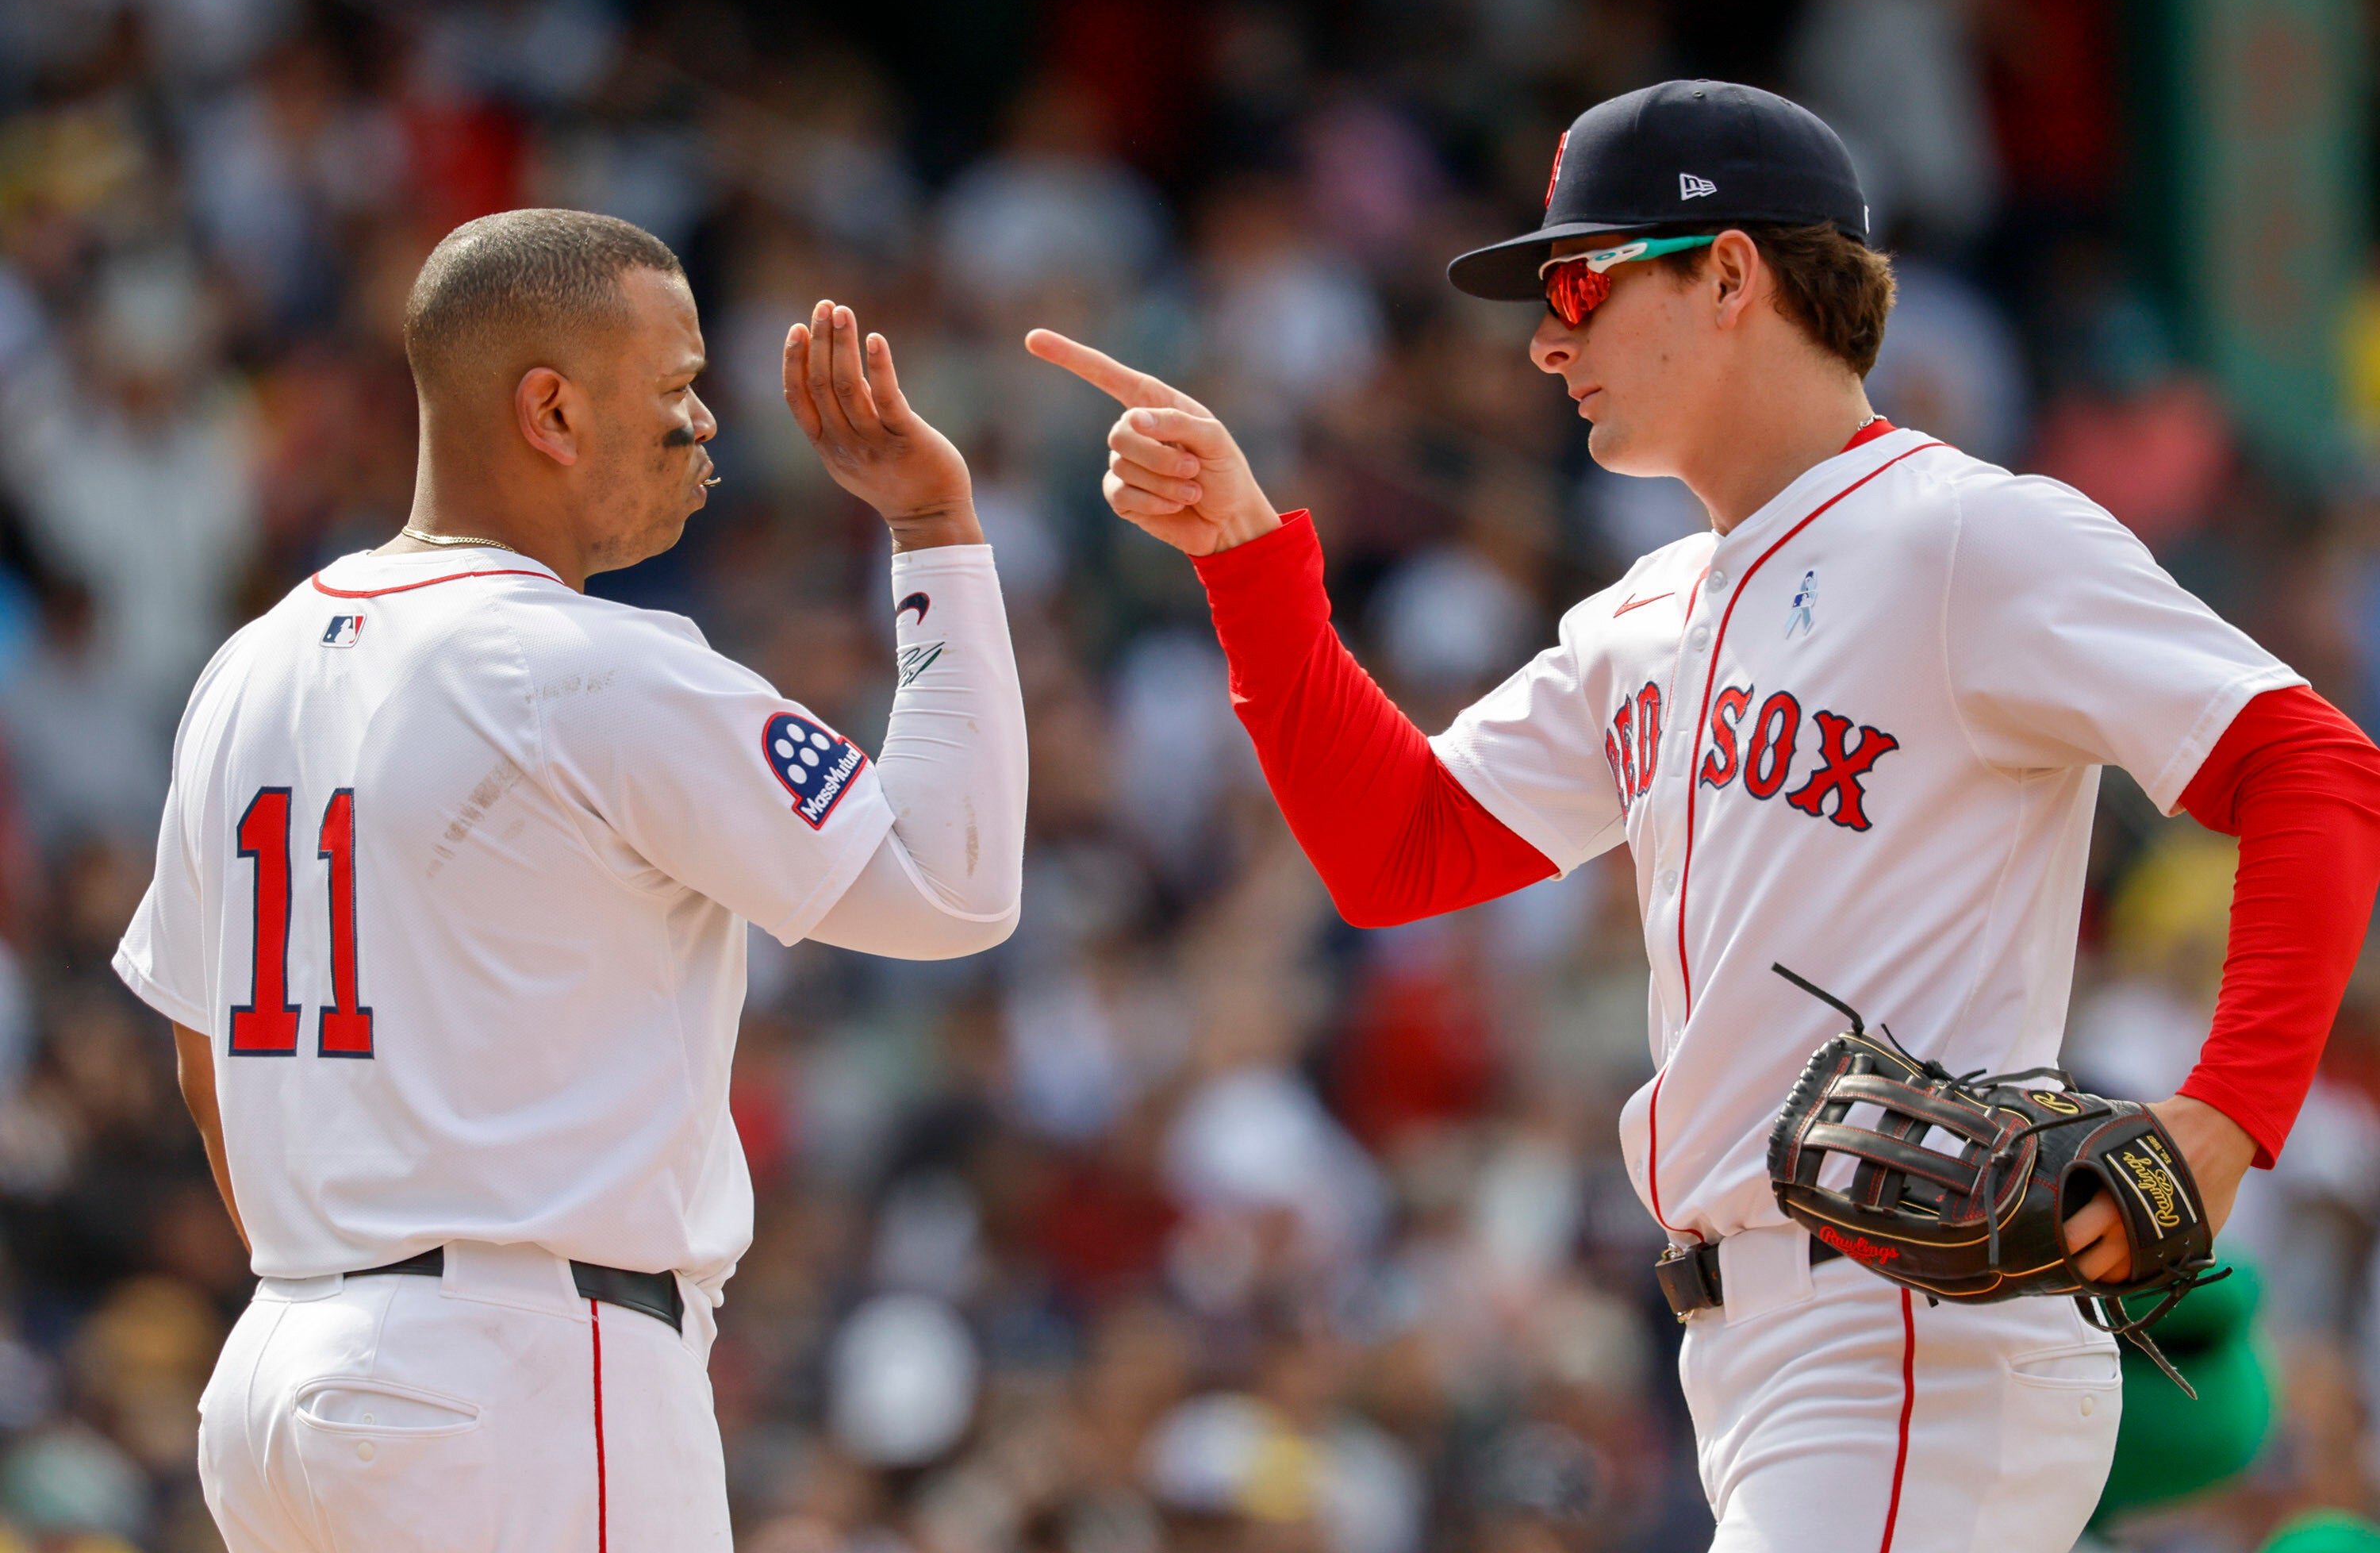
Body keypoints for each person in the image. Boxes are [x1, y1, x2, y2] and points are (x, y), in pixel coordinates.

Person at [1028, 81, 2380, 1548]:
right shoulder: (1645, 613)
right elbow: (1396, 849)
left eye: (1582, 282)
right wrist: (1243, 560)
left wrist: (2231, 1115)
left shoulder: (1969, 537)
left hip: (1909, 1327)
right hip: (1746, 1351)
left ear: (1730, 273)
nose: (1549, 337)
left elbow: (2314, 768)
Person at [113, 208, 1029, 1551]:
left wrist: (357, 1286)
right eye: (673, 387)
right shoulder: (593, 664)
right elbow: (956, 887)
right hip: (519, 1371)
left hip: (282, 1373)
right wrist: (937, 525)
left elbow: (207, 1069)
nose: (706, 421)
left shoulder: (248, 664)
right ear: (550, 409)